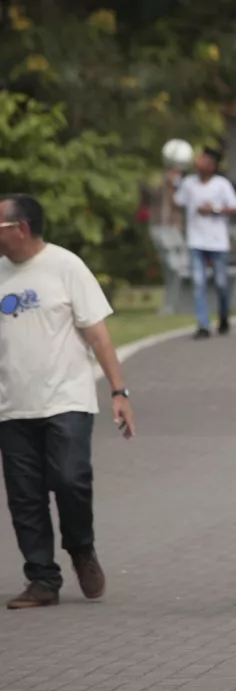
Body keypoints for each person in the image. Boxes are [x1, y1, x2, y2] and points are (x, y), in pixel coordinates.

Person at [0, 194, 136, 609]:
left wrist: (118, 391)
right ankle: (42, 579)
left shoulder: (66, 266)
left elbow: (98, 335)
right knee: (24, 498)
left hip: (67, 399)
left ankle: (81, 547)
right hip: (12, 406)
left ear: (20, 228)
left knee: (71, 478)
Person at [170, 148, 236, 339]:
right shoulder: (189, 183)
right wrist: (173, 184)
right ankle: (203, 324)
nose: (200, 162)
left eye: (205, 160)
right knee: (199, 283)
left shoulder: (221, 184)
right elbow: (178, 202)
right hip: (196, 241)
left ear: (213, 165)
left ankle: (224, 315)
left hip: (218, 242)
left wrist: (215, 209)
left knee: (221, 283)